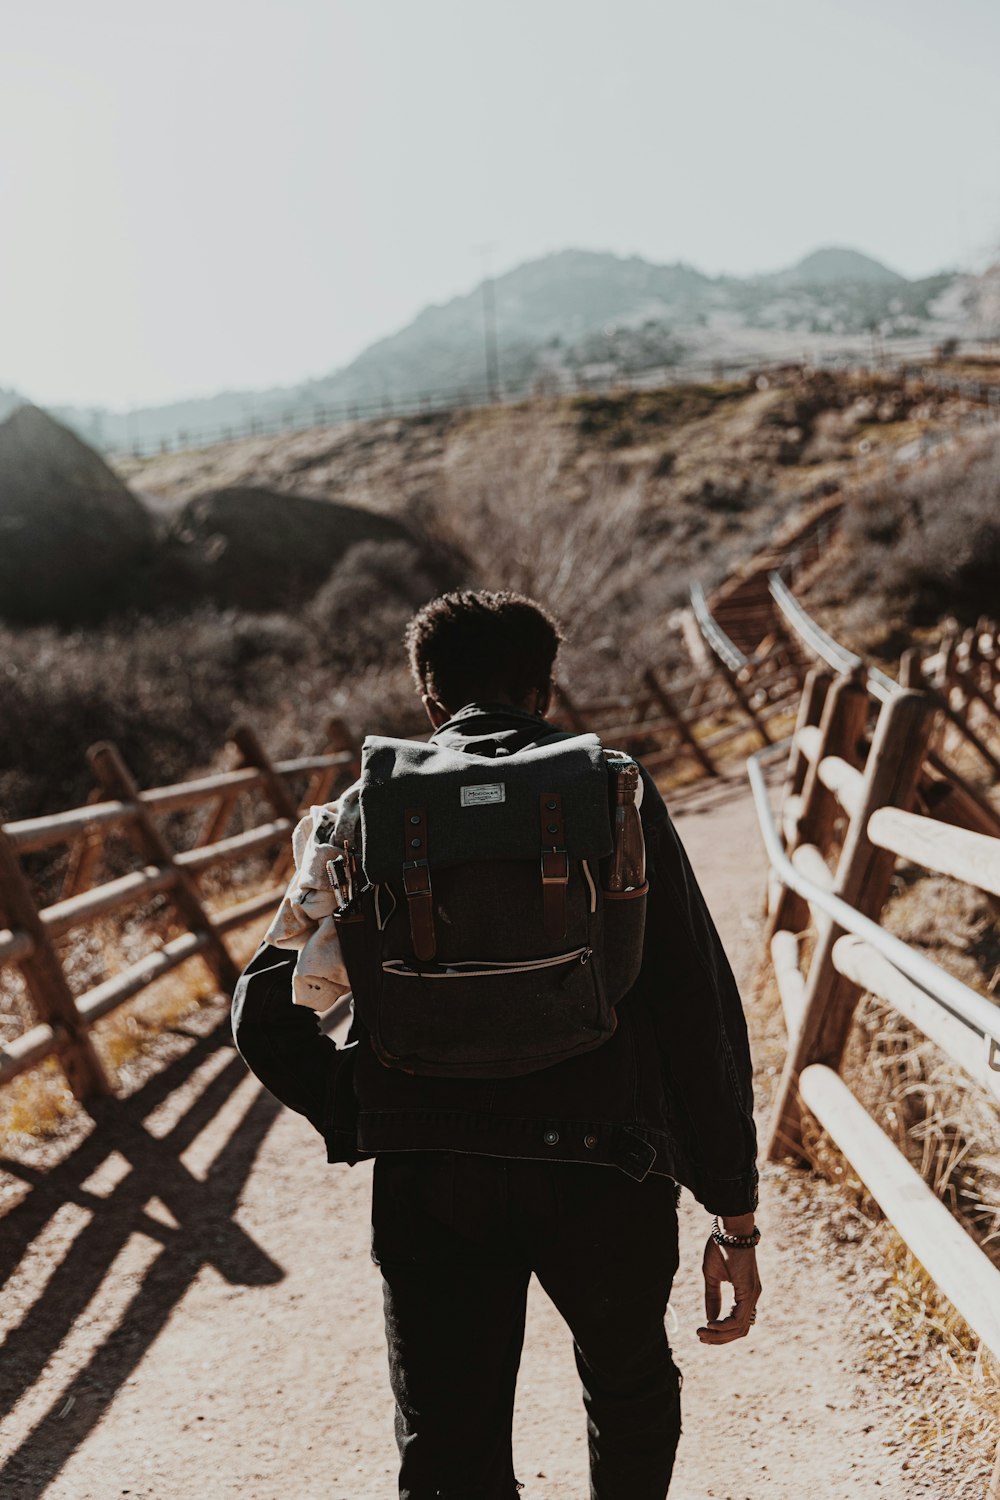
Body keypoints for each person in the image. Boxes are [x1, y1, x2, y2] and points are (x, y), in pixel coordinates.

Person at [232, 589, 761, 1500]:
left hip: (429, 1176)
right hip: (608, 1161)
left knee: (448, 1441)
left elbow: (262, 1013)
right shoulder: (614, 793)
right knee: (629, 1393)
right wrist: (734, 1212)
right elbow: (696, 1008)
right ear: (545, 693)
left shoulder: (364, 814)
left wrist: (370, 1108)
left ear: (429, 701)